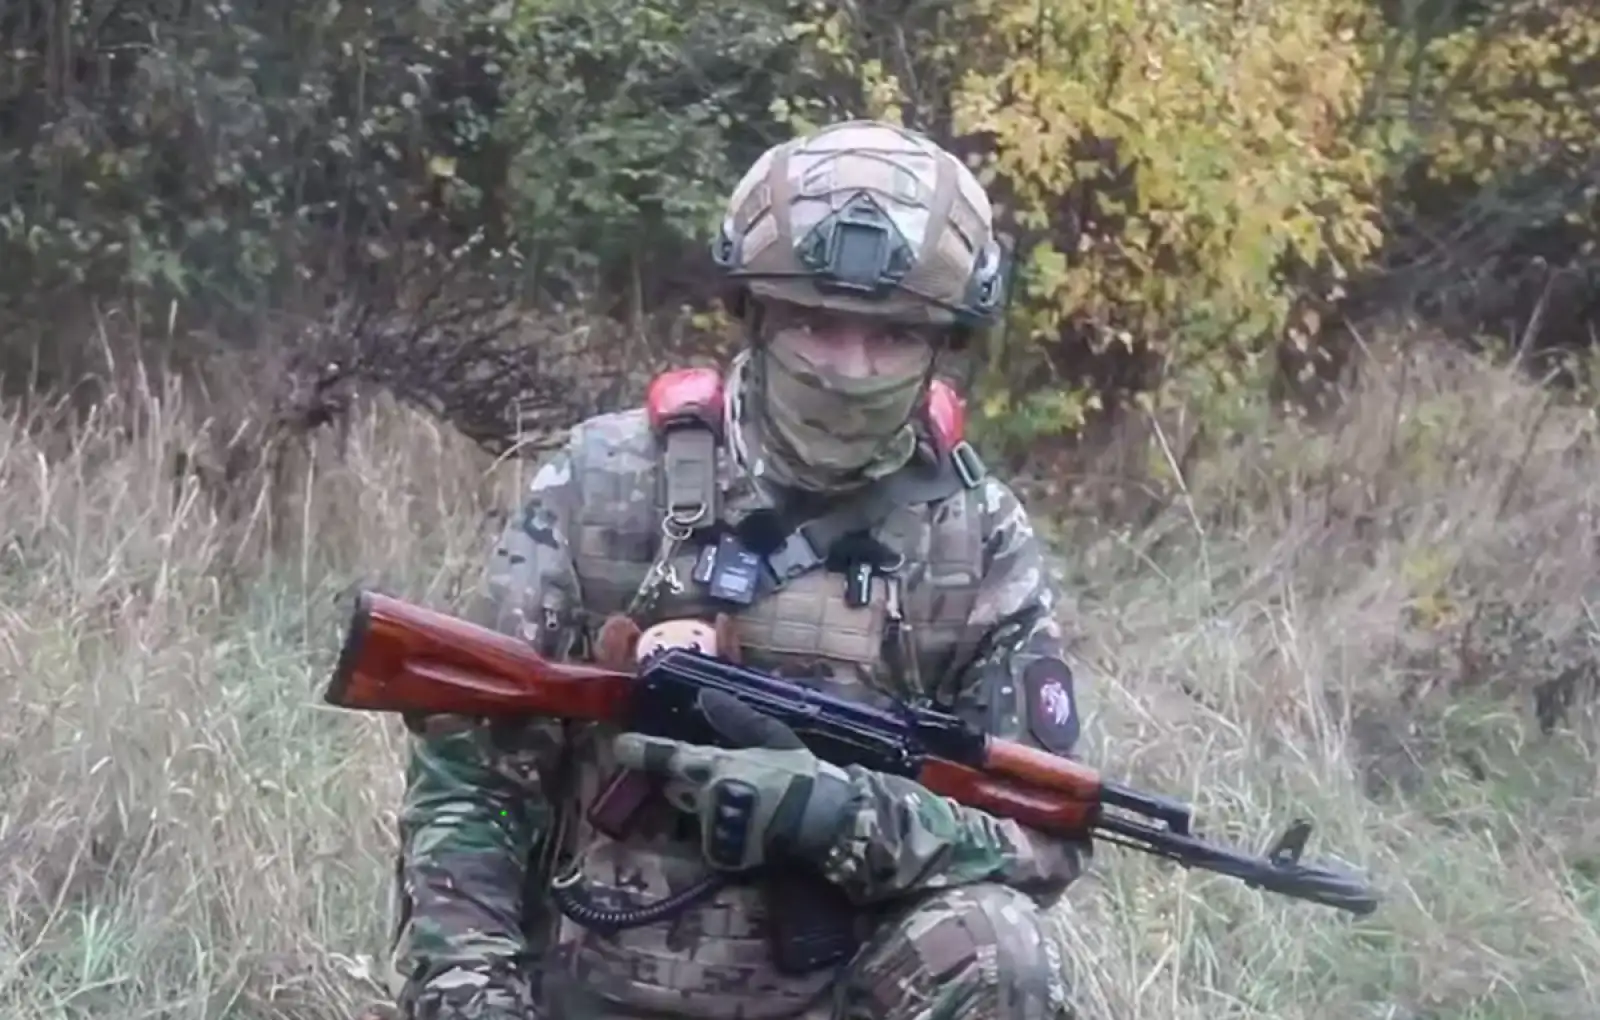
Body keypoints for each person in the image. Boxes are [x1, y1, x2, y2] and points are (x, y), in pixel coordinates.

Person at [387, 119, 1090, 1020]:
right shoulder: (609, 482)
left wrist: (845, 816)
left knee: (1002, 950)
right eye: (815, 324)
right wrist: (472, 994)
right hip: (588, 985)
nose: (850, 368)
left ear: (945, 342)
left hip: (839, 994)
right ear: (755, 311)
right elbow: (471, 780)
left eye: (893, 336)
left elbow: (1042, 832)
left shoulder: (974, 536)